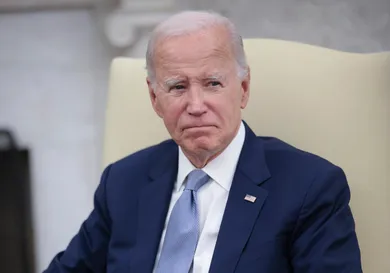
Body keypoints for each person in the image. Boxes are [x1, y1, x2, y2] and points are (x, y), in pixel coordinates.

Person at [44, 10, 362, 273]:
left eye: (212, 83)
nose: (196, 106)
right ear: (155, 98)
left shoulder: (310, 186)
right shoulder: (124, 181)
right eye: (178, 87)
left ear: (244, 88)